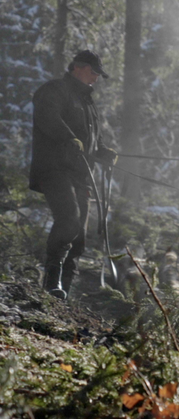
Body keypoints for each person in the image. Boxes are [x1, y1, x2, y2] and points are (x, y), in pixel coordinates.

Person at [30, 50, 118, 299]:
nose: (96, 78)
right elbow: (47, 118)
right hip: (54, 168)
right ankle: (51, 282)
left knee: (78, 235)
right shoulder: (53, 90)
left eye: (98, 74)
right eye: (93, 72)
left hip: (80, 174)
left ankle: (62, 295)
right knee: (69, 218)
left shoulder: (88, 104)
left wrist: (103, 152)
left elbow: (93, 143)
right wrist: (69, 138)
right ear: (77, 67)